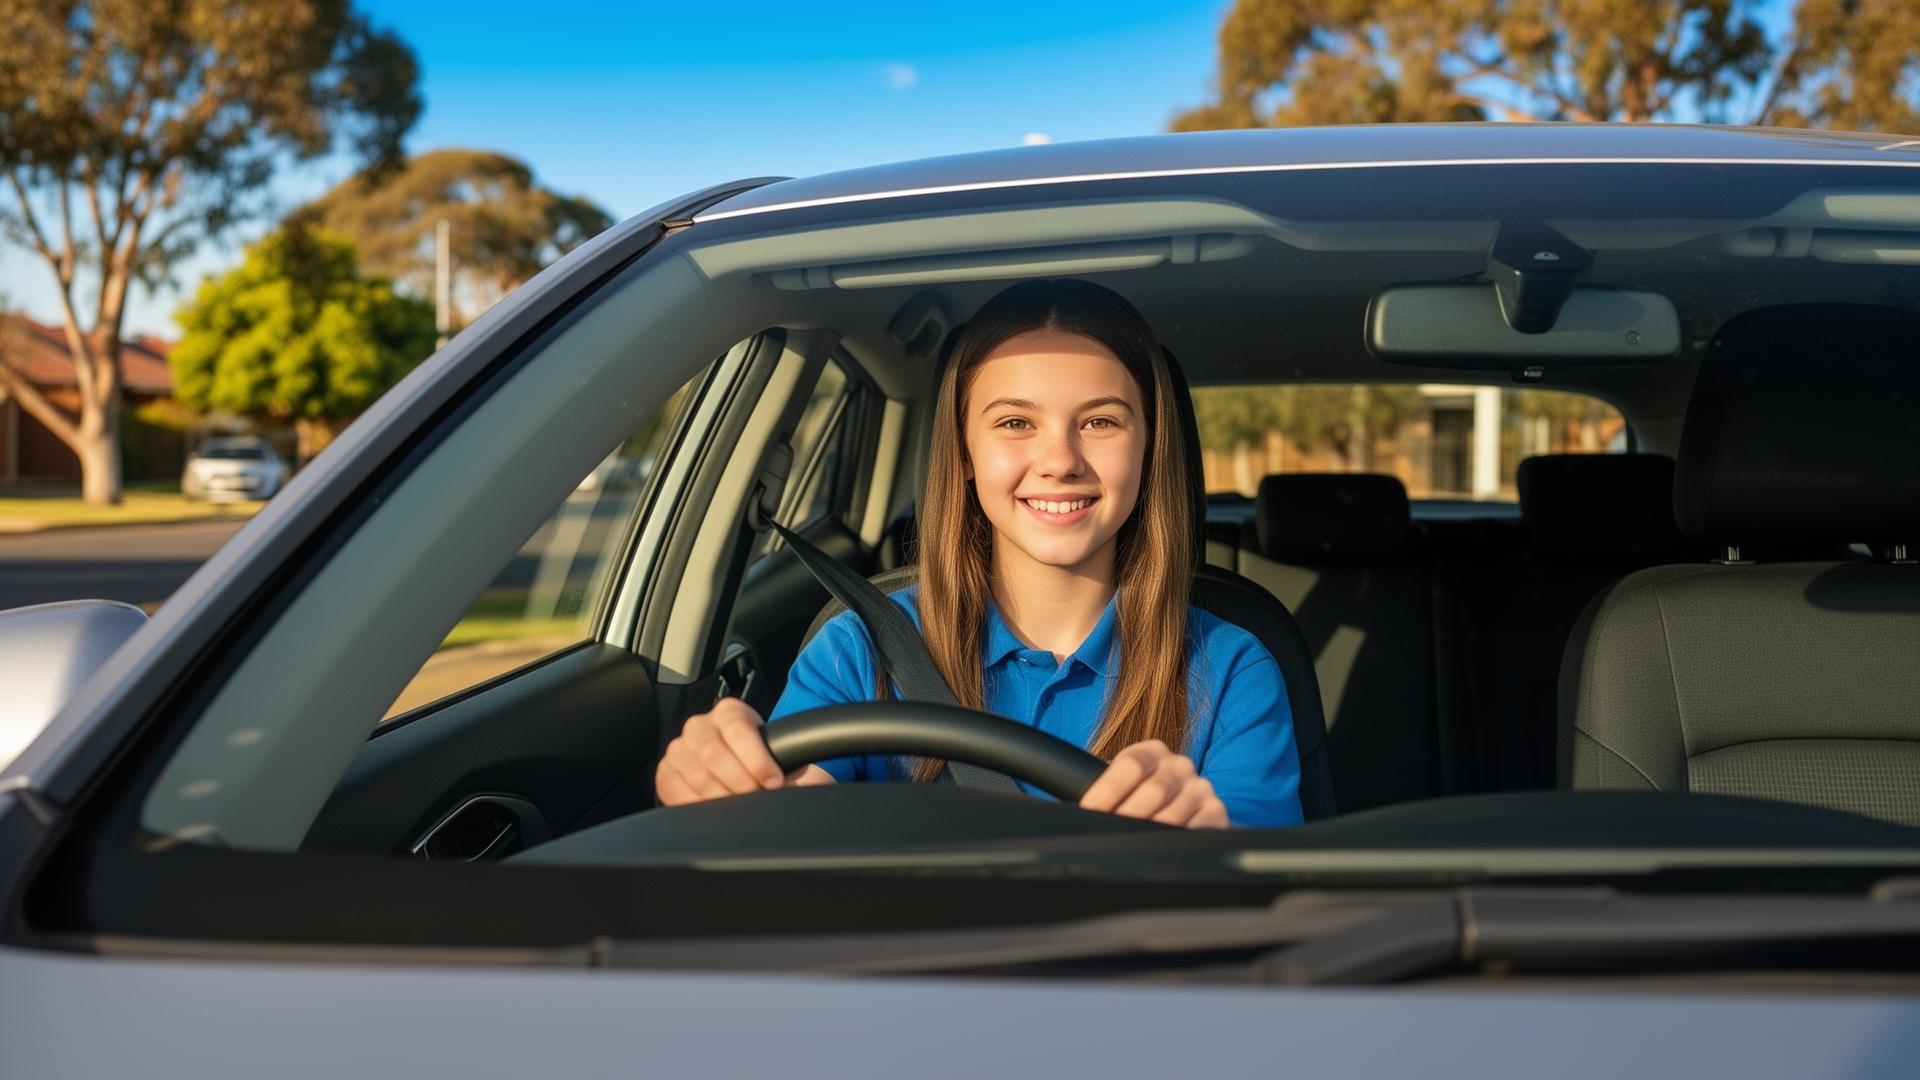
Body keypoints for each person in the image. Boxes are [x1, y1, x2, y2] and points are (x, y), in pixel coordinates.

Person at [656, 278, 1304, 828]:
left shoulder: (1232, 671)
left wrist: (1207, 845)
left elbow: (1259, 917)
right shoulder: (859, 650)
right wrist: (724, 782)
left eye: (1101, 421)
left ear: (1148, 449)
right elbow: (782, 837)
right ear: (964, 455)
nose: (1060, 462)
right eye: (1015, 423)